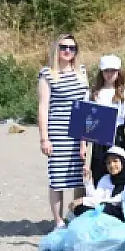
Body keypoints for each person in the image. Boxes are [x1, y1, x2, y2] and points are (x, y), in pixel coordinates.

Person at [38, 34, 90, 229]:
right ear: (56, 49)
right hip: (58, 132)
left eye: (71, 47)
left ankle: (75, 214)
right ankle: (58, 221)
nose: (67, 51)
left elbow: (86, 103)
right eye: (63, 47)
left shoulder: (81, 72)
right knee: (57, 178)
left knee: (80, 176)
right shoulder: (47, 74)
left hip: (80, 131)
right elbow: (43, 107)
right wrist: (44, 138)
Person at [89, 54, 125, 185]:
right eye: (106, 71)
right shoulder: (93, 93)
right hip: (98, 136)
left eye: (113, 70)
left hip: (117, 135)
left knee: (119, 170)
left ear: (118, 72)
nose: (109, 74)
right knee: (99, 169)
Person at [70, 146, 125, 221]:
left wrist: (84, 200)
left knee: (105, 207)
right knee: (80, 208)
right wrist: (88, 181)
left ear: (123, 162)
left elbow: (117, 201)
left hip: (121, 214)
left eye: (115, 161)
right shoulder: (106, 178)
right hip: (104, 209)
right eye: (108, 162)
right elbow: (95, 197)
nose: (112, 165)